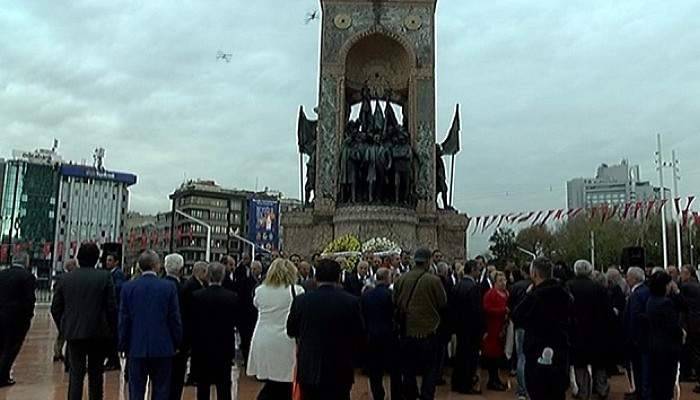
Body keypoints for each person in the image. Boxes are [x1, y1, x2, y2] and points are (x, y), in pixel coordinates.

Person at [287, 259, 365, 400]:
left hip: (310, 366)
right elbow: (359, 334)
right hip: (340, 367)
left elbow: (291, 330)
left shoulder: (301, 301)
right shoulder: (351, 301)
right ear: (338, 277)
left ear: (316, 277)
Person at [51, 243, 117, 400]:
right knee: (96, 376)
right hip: (98, 333)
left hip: (74, 333)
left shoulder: (65, 278)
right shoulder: (105, 277)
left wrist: (65, 326)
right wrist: (111, 330)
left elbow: (56, 308)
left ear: (78, 258)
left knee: (75, 376)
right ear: (97, 260)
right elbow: (111, 308)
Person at [119, 250, 182, 400]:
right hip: (163, 347)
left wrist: (122, 344)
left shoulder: (128, 288)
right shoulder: (168, 287)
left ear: (140, 267)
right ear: (157, 265)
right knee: (161, 389)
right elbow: (174, 318)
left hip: (136, 346)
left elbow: (124, 319)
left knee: (136, 390)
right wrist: (177, 341)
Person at [512, 257, 572, 400]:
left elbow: (517, 316)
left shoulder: (535, 296)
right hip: (559, 351)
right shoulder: (565, 294)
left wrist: (527, 295)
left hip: (537, 351)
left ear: (534, 273)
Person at [393, 247, 447, 400]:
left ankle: (410, 395)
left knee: (408, 368)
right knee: (430, 369)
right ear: (428, 261)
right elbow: (443, 303)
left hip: (407, 331)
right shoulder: (434, 280)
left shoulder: (401, 279)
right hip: (429, 331)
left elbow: (395, 301)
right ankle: (426, 396)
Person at [247, 258, 304, 400]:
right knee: (285, 383)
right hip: (285, 341)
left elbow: (256, 305)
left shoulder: (260, 290)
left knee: (271, 382)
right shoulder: (297, 290)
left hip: (263, 338)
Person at [190, 262, 239, 400]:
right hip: (224, 346)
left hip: (202, 347)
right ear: (223, 276)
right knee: (224, 386)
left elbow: (192, 321)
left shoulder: (196, 296)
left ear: (207, 275)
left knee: (203, 387)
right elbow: (235, 321)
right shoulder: (232, 297)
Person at [566, 260, 611, 400]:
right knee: (599, 362)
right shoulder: (598, 287)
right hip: (597, 331)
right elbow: (606, 311)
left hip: (576, 330)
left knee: (580, 364)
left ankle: (583, 391)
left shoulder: (569, 286)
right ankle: (602, 389)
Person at [361, 267, 402, 400]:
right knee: (395, 370)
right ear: (387, 278)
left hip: (371, 336)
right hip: (390, 336)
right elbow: (397, 314)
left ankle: (378, 395)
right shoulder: (391, 295)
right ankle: (396, 395)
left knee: (375, 371)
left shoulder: (366, 295)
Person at [0, 251, 36, 387]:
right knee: (11, 347)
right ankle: (3, 376)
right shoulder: (28, 277)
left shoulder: (2, 274)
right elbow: (29, 299)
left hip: (1, 314)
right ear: (26, 262)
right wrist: (29, 315)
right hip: (17, 318)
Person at [647, 271, 684, 400]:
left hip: (654, 346)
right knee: (667, 385)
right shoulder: (665, 303)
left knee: (657, 384)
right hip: (667, 349)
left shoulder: (651, 300)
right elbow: (673, 326)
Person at [450, 260, 483, 394]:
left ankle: (457, 383)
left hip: (459, 327)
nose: (479, 272)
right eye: (478, 269)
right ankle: (466, 384)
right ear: (473, 270)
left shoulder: (457, 285)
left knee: (460, 355)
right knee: (470, 357)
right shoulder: (473, 287)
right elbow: (476, 311)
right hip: (471, 328)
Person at [623, 266, 651, 400]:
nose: (626, 279)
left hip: (638, 338)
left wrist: (632, 337)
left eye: (628, 276)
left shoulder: (636, 294)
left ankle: (641, 392)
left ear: (633, 278)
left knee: (640, 367)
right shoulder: (646, 291)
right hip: (645, 337)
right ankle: (640, 391)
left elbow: (634, 317)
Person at [163, 254, 186, 400]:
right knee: (176, 381)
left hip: (159, 341)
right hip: (177, 343)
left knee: (160, 381)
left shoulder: (160, 285)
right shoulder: (181, 289)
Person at [482, 271, 509, 391]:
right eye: (500, 281)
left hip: (502, 328)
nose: (503, 283)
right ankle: (492, 380)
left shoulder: (506, 294)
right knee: (492, 355)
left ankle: (496, 378)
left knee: (498, 355)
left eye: (504, 280)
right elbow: (487, 309)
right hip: (492, 328)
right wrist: (502, 310)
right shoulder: (490, 294)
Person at [182, 261, 208, 387]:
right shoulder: (191, 286)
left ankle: (194, 374)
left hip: (194, 324)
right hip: (191, 324)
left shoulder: (196, 284)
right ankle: (192, 376)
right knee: (191, 352)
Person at [509, 265, 531, 400]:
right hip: (532, 325)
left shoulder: (516, 287)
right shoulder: (536, 286)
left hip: (520, 325)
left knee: (521, 356)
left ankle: (522, 389)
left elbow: (510, 305)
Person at [53, 259, 77, 367]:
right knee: (64, 334)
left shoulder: (61, 278)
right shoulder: (68, 279)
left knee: (62, 334)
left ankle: (58, 353)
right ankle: (61, 354)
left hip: (61, 312)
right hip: (64, 312)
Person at [104, 253, 126, 371]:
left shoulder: (117, 274)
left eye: (110, 260)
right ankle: (112, 360)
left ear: (116, 262)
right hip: (113, 310)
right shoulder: (112, 274)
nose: (107, 262)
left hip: (114, 310)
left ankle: (113, 360)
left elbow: (119, 288)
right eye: (107, 260)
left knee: (112, 336)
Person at [680, 265, 700, 393]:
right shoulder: (696, 285)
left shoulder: (687, 287)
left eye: (682, 273)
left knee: (696, 353)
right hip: (695, 322)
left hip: (693, 323)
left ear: (688, 274)